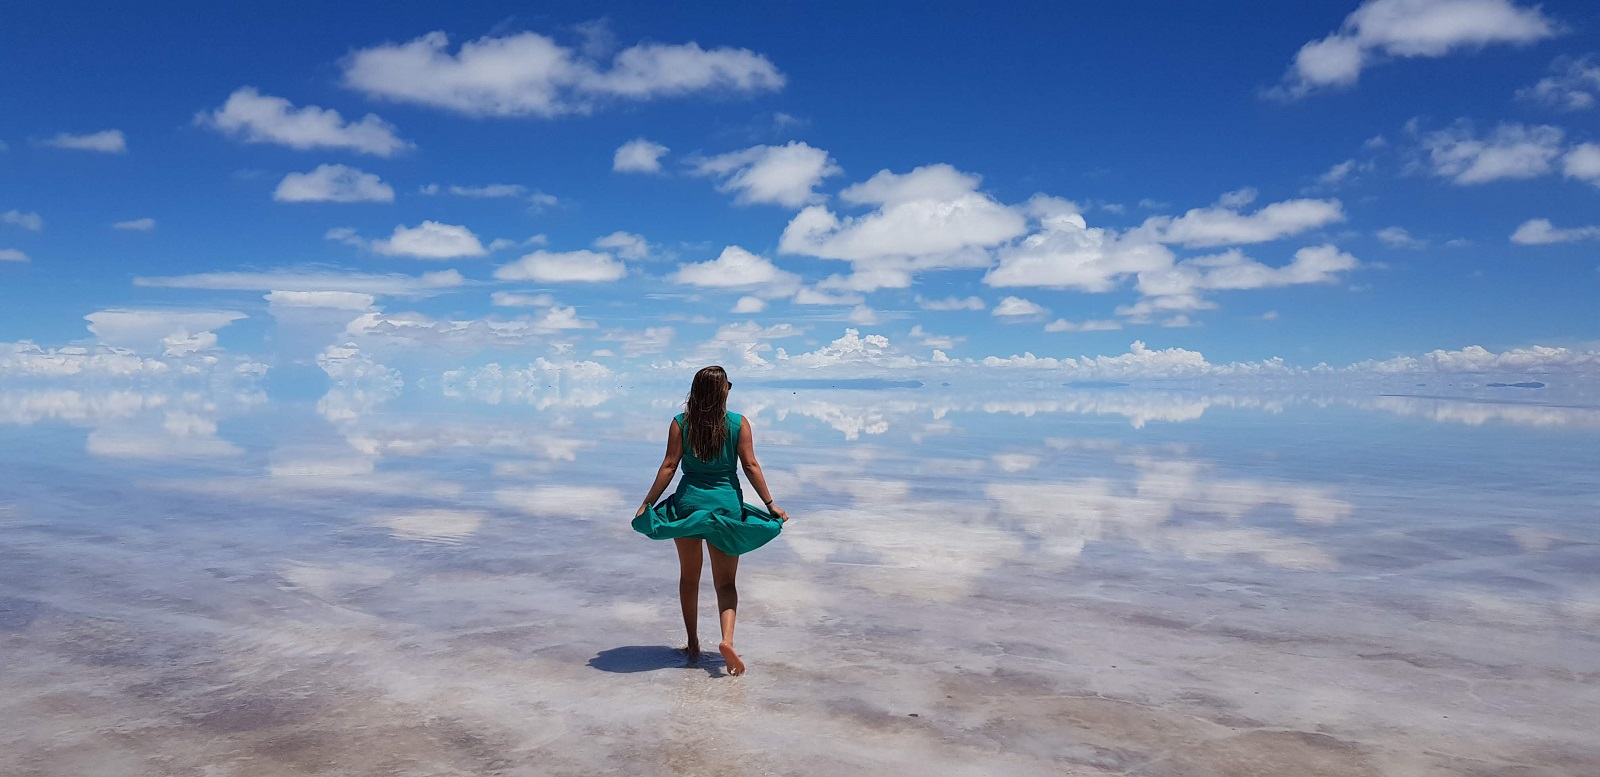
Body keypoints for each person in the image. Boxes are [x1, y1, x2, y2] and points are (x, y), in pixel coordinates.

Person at [632, 365, 789, 676]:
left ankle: (692, 644)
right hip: (726, 509)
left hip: (689, 506)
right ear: (723, 391)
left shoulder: (681, 424)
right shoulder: (738, 424)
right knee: (726, 583)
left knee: (689, 579)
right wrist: (771, 505)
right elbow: (751, 466)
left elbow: (669, 466)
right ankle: (727, 640)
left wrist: (646, 504)